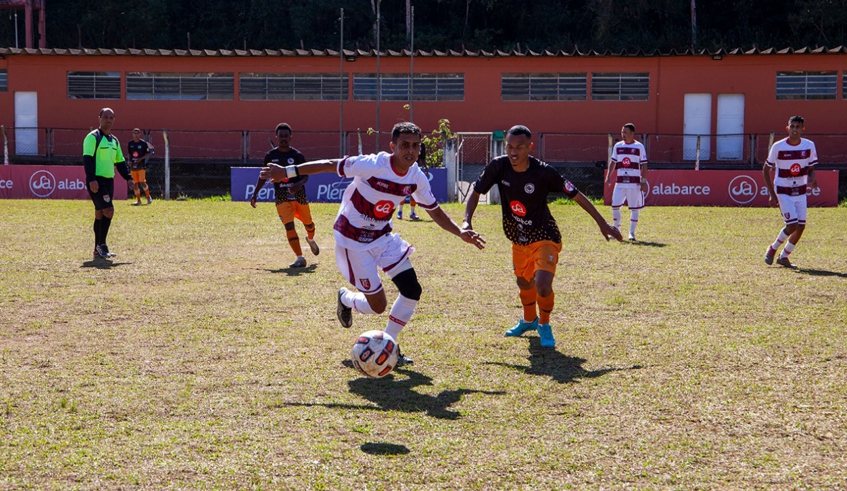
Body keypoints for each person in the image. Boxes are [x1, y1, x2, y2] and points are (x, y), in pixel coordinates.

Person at [260, 122, 485, 365]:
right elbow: (327, 164)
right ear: (392, 146)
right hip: (352, 240)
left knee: (412, 290)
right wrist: (286, 172)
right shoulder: (372, 164)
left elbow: (435, 211)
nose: (410, 150)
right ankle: (346, 298)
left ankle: (389, 346)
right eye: (404, 145)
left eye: (415, 146)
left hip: (382, 237)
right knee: (378, 306)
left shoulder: (416, 177)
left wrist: (460, 232)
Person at [463, 125, 621, 349]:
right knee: (523, 282)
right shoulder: (498, 166)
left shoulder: (544, 172)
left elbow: (577, 196)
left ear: (530, 147)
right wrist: (467, 220)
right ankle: (529, 320)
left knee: (542, 285)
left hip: (545, 235)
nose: (513, 151)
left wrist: (602, 223)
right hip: (518, 237)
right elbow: (476, 191)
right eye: (509, 146)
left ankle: (544, 324)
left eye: (519, 147)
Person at [251, 123, 319, 268]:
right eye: (281, 136)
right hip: (281, 197)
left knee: (309, 224)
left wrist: (297, 184)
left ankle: (311, 239)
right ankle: (300, 257)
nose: (283, 139)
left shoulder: (297, 156)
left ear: (290, 137)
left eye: (286, 136)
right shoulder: (271, 156)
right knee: (289, 226)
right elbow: (264, 175)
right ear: (277, 137)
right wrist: (255, 193)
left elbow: (305, 177)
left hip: (299, 196)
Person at [763, 115, 819, 269]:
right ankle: (773, 248)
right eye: (792, 127)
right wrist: (772, 194)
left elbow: (811, 169)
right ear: (787, 128)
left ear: (803, 129)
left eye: (798, 127)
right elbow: (765, 169)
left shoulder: (809, 146)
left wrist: (812, 179)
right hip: (783, 191)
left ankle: (784, 257)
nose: (795, 130)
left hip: (800, 191)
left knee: (801, 226)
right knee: (792, 224)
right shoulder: (778, 147)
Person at [83, 107, 132, 259]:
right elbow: (87, 159)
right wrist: (91, 179)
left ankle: (97, 250)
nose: (108, 120)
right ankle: (102, 244)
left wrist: (128, 178)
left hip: (109, 181)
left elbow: (121, 162)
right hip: (97, 181)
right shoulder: (92, 138)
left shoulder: (114, 140)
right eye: (105, 117)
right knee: (108, 210)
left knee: (100, 213)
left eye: (111, 117)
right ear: (99, 118)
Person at [604, 123, 648, 241]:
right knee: (615, 207)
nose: (623, 135)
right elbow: (613, 162)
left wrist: (643, 181)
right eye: (622, 132)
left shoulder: (639, 147)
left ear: (632, 133)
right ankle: (616, 232)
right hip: (620, 183)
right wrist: (608, 176)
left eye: (626, 132)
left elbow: (644, 165)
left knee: (634, 208)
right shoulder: (618, 146)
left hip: (634, 184)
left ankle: (631, 233)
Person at [397, 145, 428, 220]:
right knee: (403, 190)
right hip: (405, 169)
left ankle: (412, 213)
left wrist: (425, 166)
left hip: (415, 171)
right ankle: (400, 212)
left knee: (413, 191)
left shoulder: (422, 145)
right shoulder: (407, 143)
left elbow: (422, 157)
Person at [127, 128, 154, 205]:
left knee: (142, 182)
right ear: (132, 134)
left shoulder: (143, 143)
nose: (136, 135)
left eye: (137, 133)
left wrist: (141, 159)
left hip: (141, 165)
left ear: (140, 134)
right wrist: (129, 161)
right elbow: (129, 153)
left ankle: (148, 197)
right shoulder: (130, 143)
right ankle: (138, 200)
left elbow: (148, 153)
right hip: (133, 166)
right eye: (134, 133)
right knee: (135, 183)